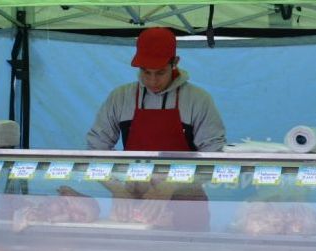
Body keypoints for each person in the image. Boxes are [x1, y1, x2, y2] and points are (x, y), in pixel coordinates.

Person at [86, 27, 226, 229]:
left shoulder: (198, 99)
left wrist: (171, 185)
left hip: (187, 203)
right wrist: (116, 187)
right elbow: (94, 150)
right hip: (135, 203)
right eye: (145, 72)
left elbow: (214, 157)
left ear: (175, 63)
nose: (152, 81)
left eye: (160, 72)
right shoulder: (121, 97)